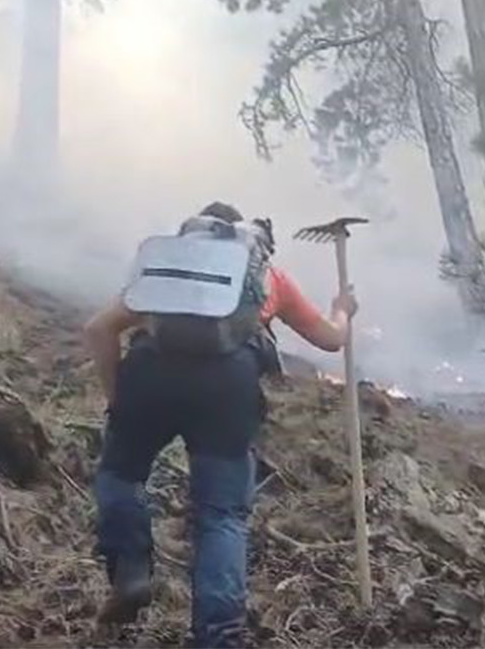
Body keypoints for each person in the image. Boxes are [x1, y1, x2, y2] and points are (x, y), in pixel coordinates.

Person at [83, 202, 357, 647]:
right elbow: (330, 339)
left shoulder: (166, 272)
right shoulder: (267, 277)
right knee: (222, 516)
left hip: (150, 377)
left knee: (120, 476)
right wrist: (343, 308)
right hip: (227, 390)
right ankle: (219, 635)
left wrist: (120, 404)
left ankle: (131, 569)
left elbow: (97, 329)